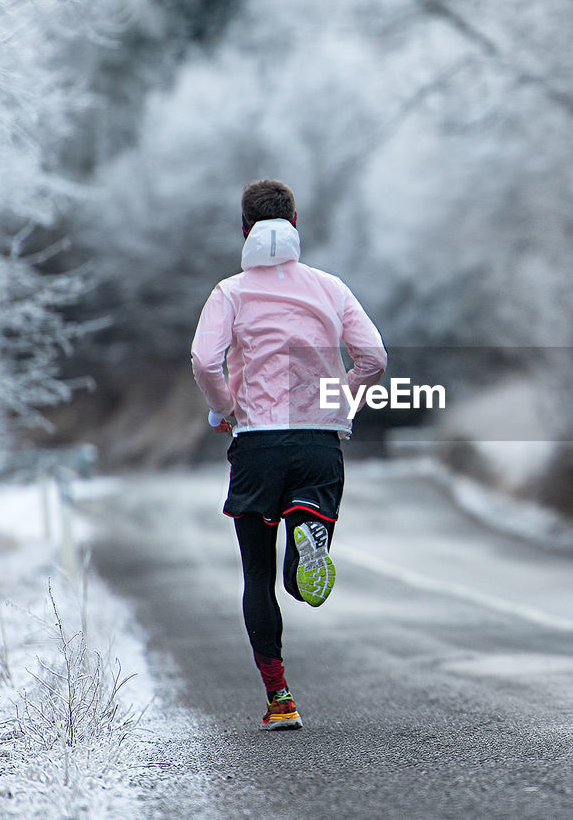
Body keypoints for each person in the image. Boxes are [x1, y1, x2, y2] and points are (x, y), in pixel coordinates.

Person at [191, 179, 387, 731]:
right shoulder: (330, 289)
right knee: (299, 578)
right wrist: (340, 401)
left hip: (256, 445)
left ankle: (280, 699)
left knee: (257, 575)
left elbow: (206, 362)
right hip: (318, 443)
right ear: (295, 226)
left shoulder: (229, 293)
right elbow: (373, 356)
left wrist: (225, 408)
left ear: (246, 231)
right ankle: (306, 533)